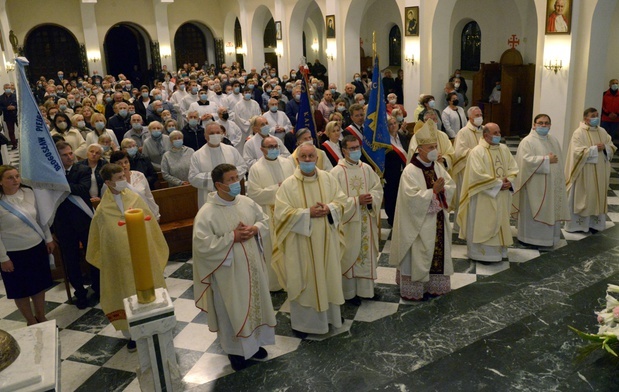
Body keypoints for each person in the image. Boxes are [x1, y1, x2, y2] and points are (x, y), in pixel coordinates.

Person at [193, 163, 276, 370]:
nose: (236, 182)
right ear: (219, 185)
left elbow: (264, 220)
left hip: (253, 266)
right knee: (232, 308)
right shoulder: (207, 213)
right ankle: (235, 351)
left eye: (237, 177)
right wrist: (233, 237)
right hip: (228, 272)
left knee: (255, 303)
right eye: (231, 180)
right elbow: (203, 245)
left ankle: (255, 345)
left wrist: (255, 228)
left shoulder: (247, 202)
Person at [86, 163, 168, 351]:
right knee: (125, 294)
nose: (124, 181)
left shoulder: (134, 198)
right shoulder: (102, 210)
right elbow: (98, 241)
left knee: (148, 292)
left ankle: (155, 325)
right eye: (119, 179)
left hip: (143, 259)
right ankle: (131, 334)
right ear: (108, 182)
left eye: (123, 177)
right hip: (119, 264)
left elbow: (151, 228)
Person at [273, 143, 348, 338]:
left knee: (327, 277)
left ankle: (331, 319)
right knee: (304, 280)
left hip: (326, 241)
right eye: (303, 157)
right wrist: (307, 213)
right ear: (297, 160)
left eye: (311, 156)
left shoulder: (328, 179)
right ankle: (305, 325)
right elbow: (281, 214)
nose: (307, 160)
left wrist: (329, 209)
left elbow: (341, 202)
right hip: (300, 245)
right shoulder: (288, 185)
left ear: (317, 158)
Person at [389, 120, 455, 300]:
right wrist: (432, 192)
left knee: (437, 252)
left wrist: (443, 190)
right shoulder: (410, 171)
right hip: (418, 224)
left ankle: (433, 285)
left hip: (437, 221)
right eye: (431, 147)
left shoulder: (437, 166)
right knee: (418, 253)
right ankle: (416, 287)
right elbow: (410, 199)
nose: (435, 150)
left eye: (435, 146)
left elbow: (450, 185)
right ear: (420, 149)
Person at [0, 165, 55, 325]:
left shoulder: (29, 193)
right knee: (20, 290)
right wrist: (3, 258)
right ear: (1, 182)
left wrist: (48, 238)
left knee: (39, 285)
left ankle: (41, 315)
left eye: (17, 176)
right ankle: (30, 320)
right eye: (10, 178)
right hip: (13, 253)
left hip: (36, 248)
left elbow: (40, 218)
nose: (15, 180)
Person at [331, 136, 383, 305]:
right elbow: (334, 200)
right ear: (344, 150)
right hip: (349, 223)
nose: (355, 151)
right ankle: (350, 293)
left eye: (357, 147)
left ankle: (367, 291)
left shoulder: (366, 168)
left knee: (366, 254)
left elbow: (377, 189)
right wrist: (355, 201)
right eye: (351, 148)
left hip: (366, 220)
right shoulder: (336, 172)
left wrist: (372, 198)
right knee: (349, 255)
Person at [457, 123, 519, 262]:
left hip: (501, 195)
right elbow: (477, 175)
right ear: (485, 135)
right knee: (485, 222)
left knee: (502, 220)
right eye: (495, 133)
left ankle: (501, 251)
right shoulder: (477, 151)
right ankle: (481, 253)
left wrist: (509, 180)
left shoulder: (503, 149)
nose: (498, 135)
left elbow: (513, 167)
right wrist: (498, 184)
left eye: (499, 132)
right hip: (483, 197)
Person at [512, 114, 570, 247]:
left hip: (551, 185)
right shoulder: (527, 141)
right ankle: (529, 238)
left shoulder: (553, 140)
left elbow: (558, 162)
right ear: (534, 125)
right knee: (533, 210)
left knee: (550, 208)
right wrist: (546, 160)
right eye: (540, 123)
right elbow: (524, 162)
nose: (543, 126)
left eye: (546, 123)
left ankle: (549, 238)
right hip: (534, 186)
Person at [246, 136, 296, 291]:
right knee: (271, 248)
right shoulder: (256, 168)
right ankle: (274, 284)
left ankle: (292, 280)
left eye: (276, 146)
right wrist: (277, 188)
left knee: (291, 247)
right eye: (270, 146)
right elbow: (254, 194)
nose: (274, 149)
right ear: (262, 149)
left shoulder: (288, 163)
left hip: (288, 212)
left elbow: (296, 184)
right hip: (269, 214)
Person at [54, 141, 98, 309]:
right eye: (65, 155)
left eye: (71, 153)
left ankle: (97, 288)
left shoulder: (83, 169)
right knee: (70, 260)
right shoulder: (52, 174)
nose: (70, 157)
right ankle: (79, 292)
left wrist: (59, 185)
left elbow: (82, 189)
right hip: (63, 224)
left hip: (84, 221)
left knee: (92, 255)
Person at [564, 108, 616, 233]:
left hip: (600, 170)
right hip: (585, 171)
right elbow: (576, 152)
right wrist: (593, 149)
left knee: (597, 196)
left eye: (597, 115)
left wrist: (605, 147)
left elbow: (611, 146)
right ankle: (578, 225)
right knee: (585, 196)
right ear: (585, 118)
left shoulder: (602, 131)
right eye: (593, 116)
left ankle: (595, 224)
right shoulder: (578, 133)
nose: (596, 118)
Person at [189, 122, 247, 207]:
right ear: (205, 136)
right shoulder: (197, 155)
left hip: (231, 193)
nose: (215, 135)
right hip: (209, 198)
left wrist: (229, 179)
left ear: (222, 134)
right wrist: (220, 179)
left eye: (217, 133)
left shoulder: (231, 150)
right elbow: (193, 178)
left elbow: (242, 167)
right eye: (211, 133)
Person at [452, 106, 485, 231]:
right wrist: (478, 154)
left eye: (480, 114)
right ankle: (461, 225)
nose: (479, 117)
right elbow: (459, 152)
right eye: (476, 115)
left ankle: (478, 225)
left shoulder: (485, 130)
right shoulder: (463, 132)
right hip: (467, 171)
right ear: (470, 118)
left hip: (482, 171)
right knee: (465, 197)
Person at [109, 151, 160, 220]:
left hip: (146, 215)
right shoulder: (112, 183)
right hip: (127, 219)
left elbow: (149, 197)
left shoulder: (139, 175)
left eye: (126, 162)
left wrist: (156, 215)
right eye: (119, 163)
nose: (124, 165)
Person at [384, 115, 410, 227]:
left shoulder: (401, 136)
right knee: (392, 196)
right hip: (391, 173)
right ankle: (392, 218)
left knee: (404, 195)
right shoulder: (385, 141)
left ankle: (403, 218)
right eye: (390, 124)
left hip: (403, 172)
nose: (393, 126)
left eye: (395, 123)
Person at [0, 84, 18, 149]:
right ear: (4, 89)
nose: (8, 89)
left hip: (16, 115)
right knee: (11, 131)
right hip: (8, 116)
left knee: (21, 129)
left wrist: (14, 107)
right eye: (7, 88)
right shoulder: (1, 97)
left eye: (9, 88)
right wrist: (6, 108)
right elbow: (0, 107)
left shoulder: (15, 96)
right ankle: (14, 144)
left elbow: (19, 104)